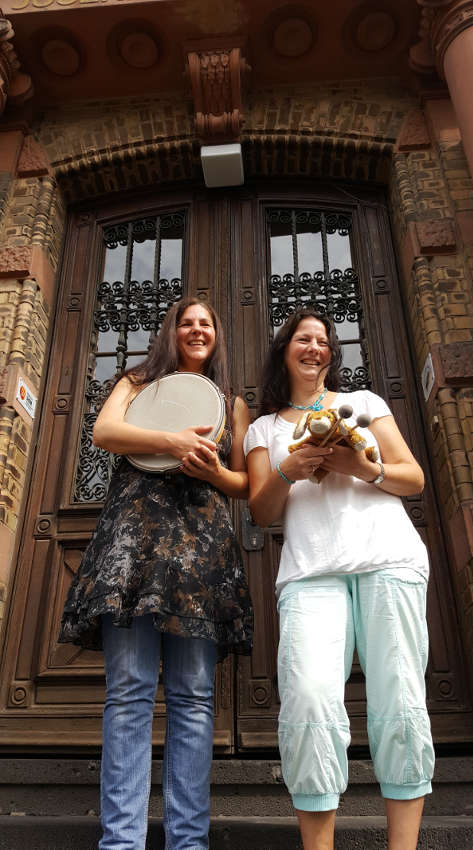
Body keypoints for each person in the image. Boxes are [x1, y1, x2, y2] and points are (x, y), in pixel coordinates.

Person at [59, 296, 253, 850]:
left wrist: (214, 468)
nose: (197, 330)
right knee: (129, 693)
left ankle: (187, 841)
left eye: (206, 324)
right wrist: (171, 440)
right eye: (186, 322)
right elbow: (105, 432)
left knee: (193, 697)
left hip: (199, 554)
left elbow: (243, 484)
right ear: (172, 331)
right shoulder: (138, 380)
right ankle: (121, 841)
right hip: (133, 549)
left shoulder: (230, 402)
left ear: (216, 336)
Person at [243, 309, 434, 850]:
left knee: (400, 700)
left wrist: (362, 467)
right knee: (307, 700)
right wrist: (290, 470)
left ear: (331, 354)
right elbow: (261, 511)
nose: (314, 348)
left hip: (388, 559)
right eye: (303, 339)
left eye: (323, 341)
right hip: (309, 571)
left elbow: (412, 477)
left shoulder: (366, 403)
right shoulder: (265, 428)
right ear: (284, 351)